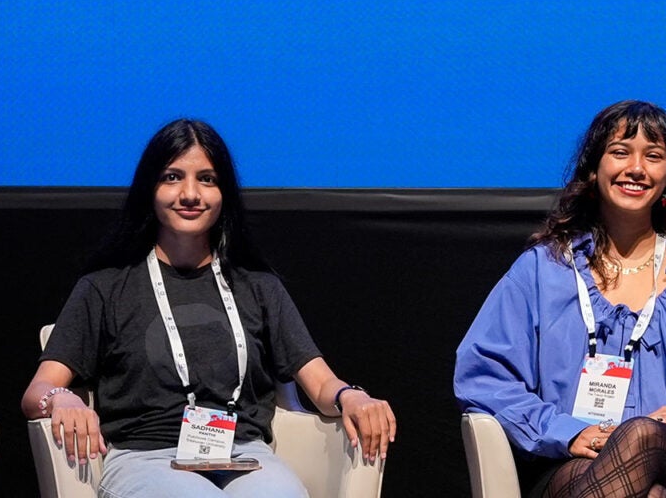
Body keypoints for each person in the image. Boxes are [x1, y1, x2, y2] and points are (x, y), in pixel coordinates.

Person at [21, 118, 396, 497]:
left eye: (207, 178)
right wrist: (60, 397)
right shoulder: (104, 287)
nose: (189, 194)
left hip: (244, 455)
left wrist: (353, 395)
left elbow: (320, 383)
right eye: (171, 177)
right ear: (149, 188)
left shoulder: (259, 286)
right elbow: (38, 390)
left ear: (224, 193)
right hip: (145, 457)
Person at [455, 100, 666, 498]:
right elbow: (484, 376)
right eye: (620, 152)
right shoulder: (541, 271)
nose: (636, 168)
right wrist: (566, 432)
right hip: (570, 463)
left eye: (653, 156)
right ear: (593, 166)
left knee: (644, 435)